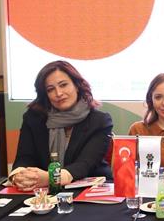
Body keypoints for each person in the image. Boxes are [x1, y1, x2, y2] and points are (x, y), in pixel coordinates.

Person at [10, 60, 112, 190]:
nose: (58, 93)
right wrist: (19, 176)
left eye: (63, 85)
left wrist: (52, 178)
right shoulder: (33, 118)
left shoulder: (99, 121)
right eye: (50, 89)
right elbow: (24, 158)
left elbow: (84, 164)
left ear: (77, 85)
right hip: (45, 191)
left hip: (89, 189)